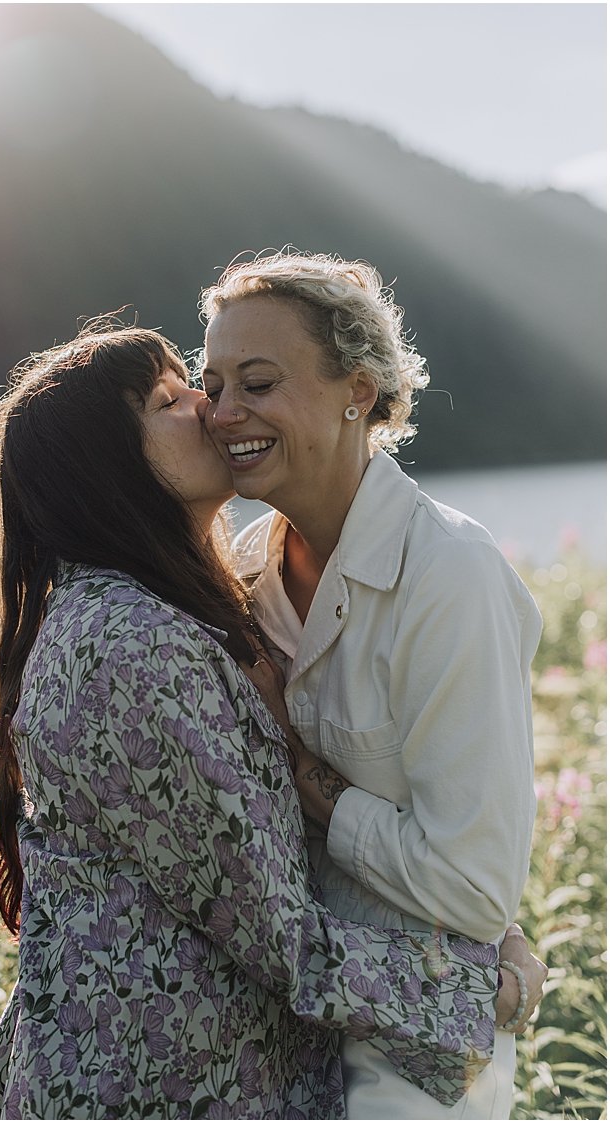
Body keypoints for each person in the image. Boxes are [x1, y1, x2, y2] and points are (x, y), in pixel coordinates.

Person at [0, 321, 544, 1118]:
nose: (209, 407)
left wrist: (483, 924)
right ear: (109, 467)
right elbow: (284, 940)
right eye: (171, 398)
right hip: (155, 1089)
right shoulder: (135, 648)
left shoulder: (172, 608)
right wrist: (482, 983)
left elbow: (247, 868)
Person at [199, 250, 542, 1118]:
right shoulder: (246, 572)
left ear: (357, 390)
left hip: (415, 1067)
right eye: (212, 384)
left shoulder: (449, 575)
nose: (222, 412)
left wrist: (317, 788)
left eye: (258, 382)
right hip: (278, 1044)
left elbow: (475, 888)